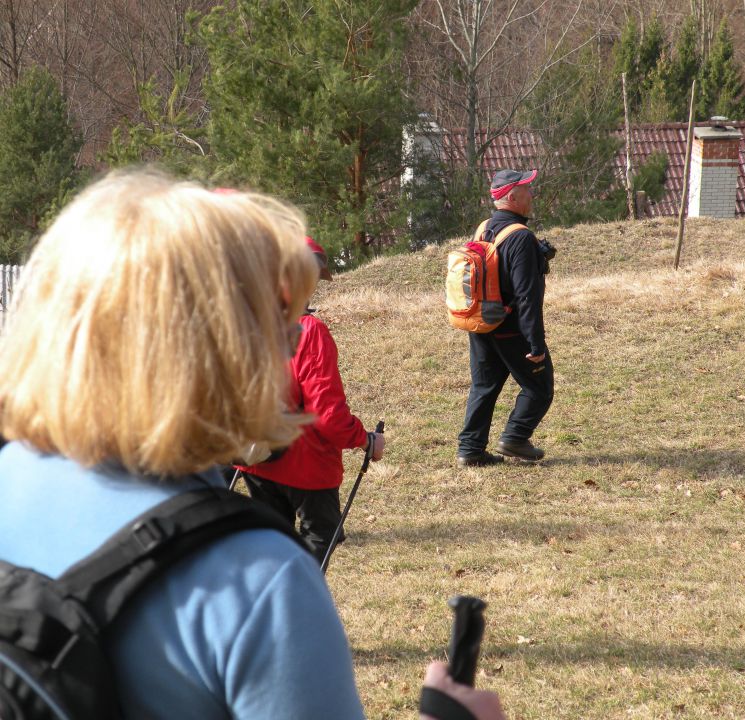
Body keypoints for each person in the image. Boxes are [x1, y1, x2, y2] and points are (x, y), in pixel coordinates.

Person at [0, 169, 504, 720]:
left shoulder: (10, 473)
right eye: (277, 326)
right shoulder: (261, 583)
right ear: (217, 354)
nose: (292, 340)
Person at [235, 235, 385, 564]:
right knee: (320, 537)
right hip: (307, 466)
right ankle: (296, 604)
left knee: (272, 546)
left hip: (254, 456)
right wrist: (365, 440)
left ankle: (271, 605)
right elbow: (328, 416)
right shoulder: (309, 331)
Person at [457, 168, 555, 467]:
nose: (532, 194)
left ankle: (470, 451)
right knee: (539, 387)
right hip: (510, 329)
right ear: (512, 197)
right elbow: (527, 296)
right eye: (527, 189)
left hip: (481, 322)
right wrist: (535, 344)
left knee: (484, 386)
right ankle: (515, 437)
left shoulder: (484, 227)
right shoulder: (520, 237)